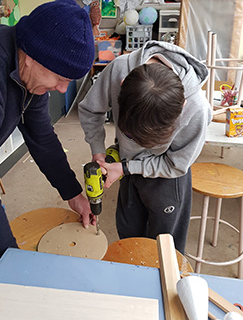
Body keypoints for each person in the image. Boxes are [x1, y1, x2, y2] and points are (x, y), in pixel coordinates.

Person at [0, 0, 96, 280]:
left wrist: (73, 193)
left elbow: (40, 135)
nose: (62, 89)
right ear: (31, 57)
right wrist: (18, 272)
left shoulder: (27, 66)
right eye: (59, 78)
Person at [78, 40, 211, 253]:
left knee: (166, 247)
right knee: (128, 232)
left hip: (167, 175)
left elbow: (175, 164)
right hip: (125, 167)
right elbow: (90, 110)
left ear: (181, 106)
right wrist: (98, 150)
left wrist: (126, 167)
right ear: (122, 86)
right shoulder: (119, 69)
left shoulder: (196, 109)